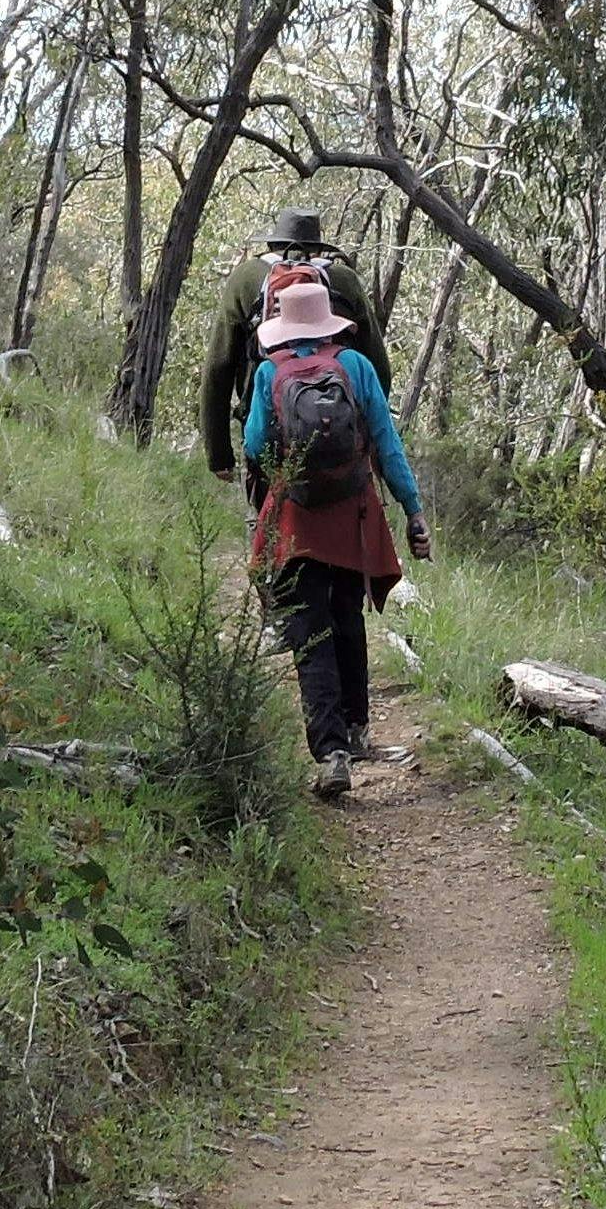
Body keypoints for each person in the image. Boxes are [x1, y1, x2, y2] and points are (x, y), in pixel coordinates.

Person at [240, 267, 427, 798]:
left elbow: (255, 447)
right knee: (347, 618)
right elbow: (388, 445)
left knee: (309, 632)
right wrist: (413, 511)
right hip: (354, 517)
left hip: (296, 522)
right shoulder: (357, 367)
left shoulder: (268, 373)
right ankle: (358, 728)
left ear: (281, 326)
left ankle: (331, 753)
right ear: (328, 323)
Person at [199, 205, 389, 478]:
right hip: (342, 434)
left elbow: (218, 370)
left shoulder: (245, 279)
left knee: (272, 515)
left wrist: (219, 455)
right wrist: (372, 436)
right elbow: (378, 366)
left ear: (273, 241)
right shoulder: (343, 280)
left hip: (268, 433)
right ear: (319, 244)